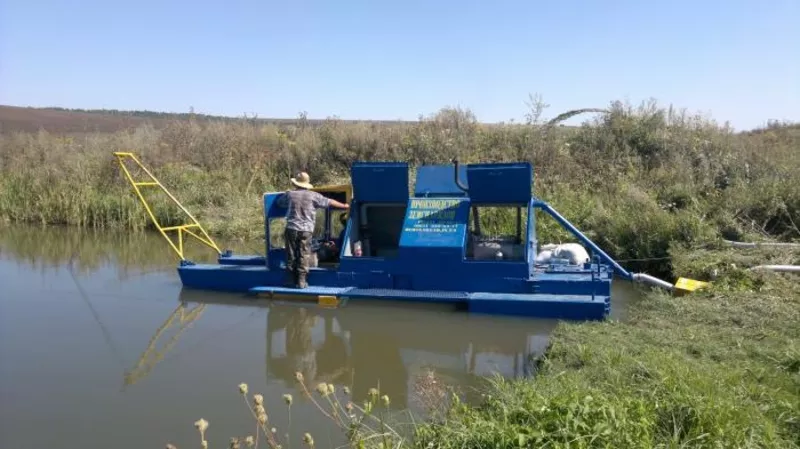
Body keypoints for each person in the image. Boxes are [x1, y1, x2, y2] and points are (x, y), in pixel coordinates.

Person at [279, 172, 349, 288]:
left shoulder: (290, 194)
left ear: (296, 183)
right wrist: (344, 206)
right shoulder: (314, 196)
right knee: (304, 254)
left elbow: (279, 203)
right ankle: (302, 282)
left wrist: (286, 194)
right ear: (307, 184)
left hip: (291, 228)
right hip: (306, 230)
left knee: (291, 254)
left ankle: (290, 280)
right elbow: (329, 202)